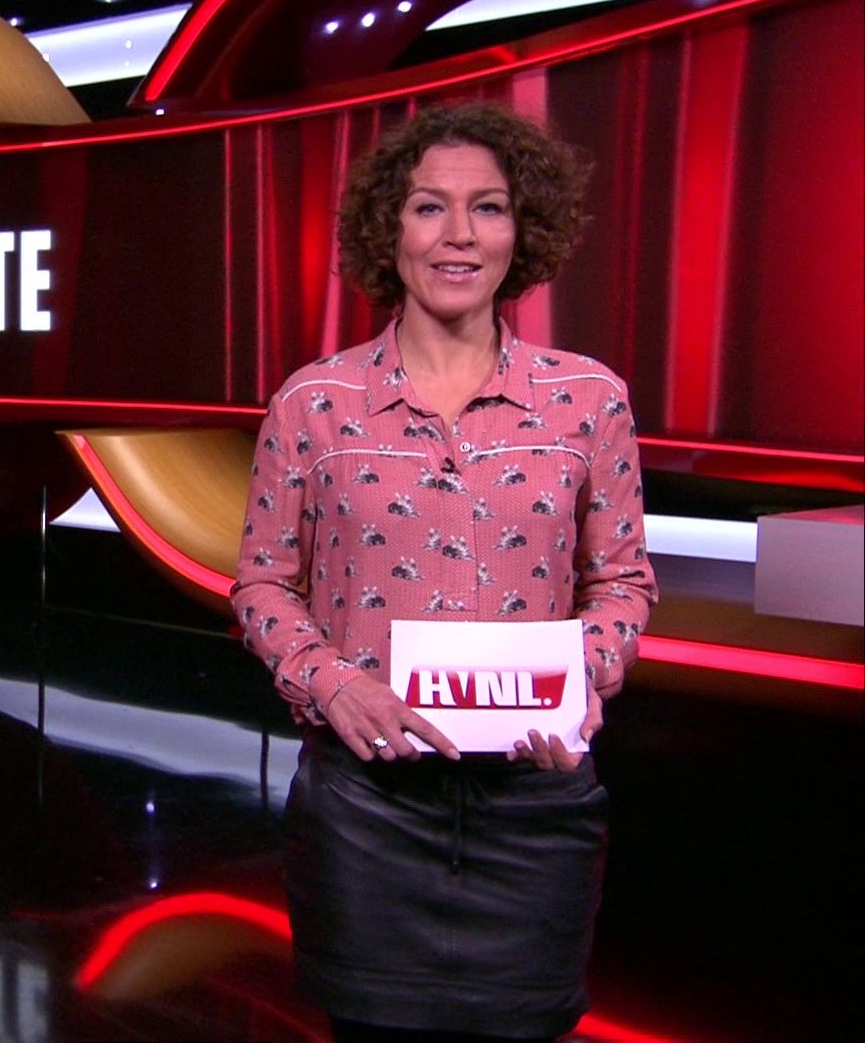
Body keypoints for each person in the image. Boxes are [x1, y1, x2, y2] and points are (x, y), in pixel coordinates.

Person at [231, 102, 658, 1041]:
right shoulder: (313, 403)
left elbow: (622, 582)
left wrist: (578, 678)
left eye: (488, 208)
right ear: (390, 230)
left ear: (522, 231)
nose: (459, 234)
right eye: (430, 207)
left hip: (534, 804)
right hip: (365, 812)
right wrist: (331, 682)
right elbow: (262, 582)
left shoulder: (589, 400)